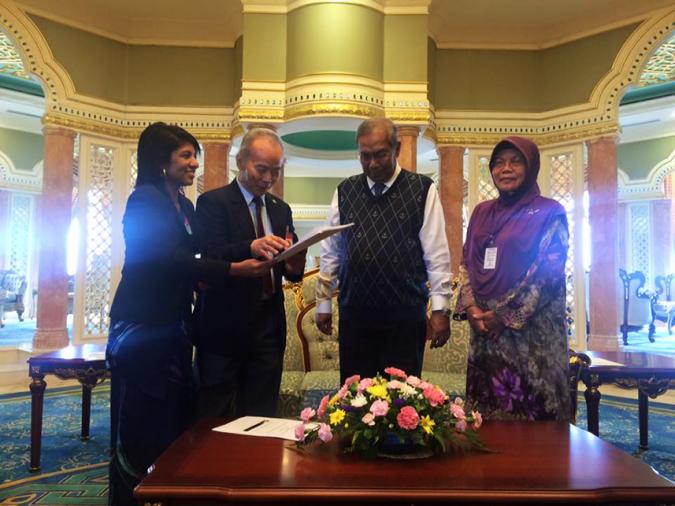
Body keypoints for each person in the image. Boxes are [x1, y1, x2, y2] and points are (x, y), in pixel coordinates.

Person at [106, 122, 269, 506]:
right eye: (186, 155)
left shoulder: (185, 205)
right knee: (140, 421)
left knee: (172, 420)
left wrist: (243, 252)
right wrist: (232, 270)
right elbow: (165, 259)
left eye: (195, 155)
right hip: (142, 327)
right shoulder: (144, 201)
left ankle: (165, 491)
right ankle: (131, 497)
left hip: (176, 326)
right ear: (161, 161)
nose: (195, 163)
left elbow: (201, 253)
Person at [316, 117, 452, 384]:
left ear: (396, 149)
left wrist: (440, 310)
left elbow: (436, 254)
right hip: (355, 316)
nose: (372, 163)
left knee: (403, 400)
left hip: (404, 318)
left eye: (380, 155)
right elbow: (331, 251)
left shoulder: (422, 188)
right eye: (365, 156)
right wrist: (323, 303)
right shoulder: (345, 190)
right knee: (354, 399)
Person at [455, 135, 570, 421]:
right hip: (485, 331)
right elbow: (466, 260)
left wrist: (503, 315)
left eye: (515, 162)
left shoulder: (550, 211)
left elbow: (548, 273)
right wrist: (471, 307)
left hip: (531, 337)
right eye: (499, 163)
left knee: (533, 417)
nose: (506, 169)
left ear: (530, 167)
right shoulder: (481, 212)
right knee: (487, 416)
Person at [195, 127, 306, 418]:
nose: (269, 179)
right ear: (241, 162)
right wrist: (251, 246)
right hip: (223, 327)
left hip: (268, 327)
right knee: (214, 415)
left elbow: (290, 272)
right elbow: (210, 255)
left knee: (261, 415)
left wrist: (295, 264)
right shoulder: (212, 203)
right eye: (262, 169)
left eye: (276, 171)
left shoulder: (281, 209)